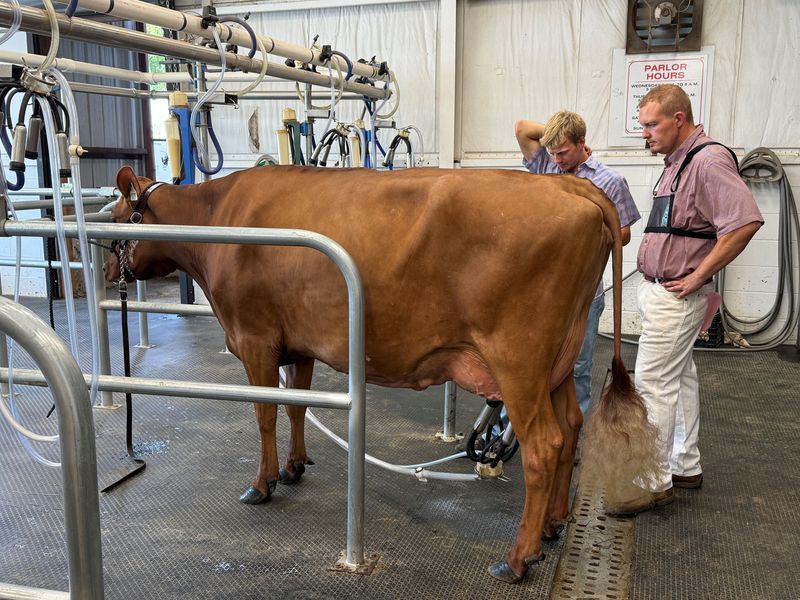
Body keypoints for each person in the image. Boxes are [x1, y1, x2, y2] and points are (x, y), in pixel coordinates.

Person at [607, 84, 763, 516]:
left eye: (651, 125)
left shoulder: (708, 160)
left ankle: (651, 482)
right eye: (642, 126)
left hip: (676, 295)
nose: (645, 135)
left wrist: (698, 274)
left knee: (653, 385)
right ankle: (685, 464)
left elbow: (745, 221)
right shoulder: (677, 162)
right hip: (661, 291)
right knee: (682, 378)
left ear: (679, 119)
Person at [515, 111, 640, 416]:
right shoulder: (545, 164)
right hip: (539, 286)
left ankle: (571, 434)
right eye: (553, 152)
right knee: (527, 360)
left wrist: (583, 236)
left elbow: (622, 234)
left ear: (582, 142)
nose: (556, 160)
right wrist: (557, 132)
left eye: (563, 152)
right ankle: (516, 430)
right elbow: (522, 129)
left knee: (578, 364)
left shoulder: (609, 181)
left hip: (583, 289)